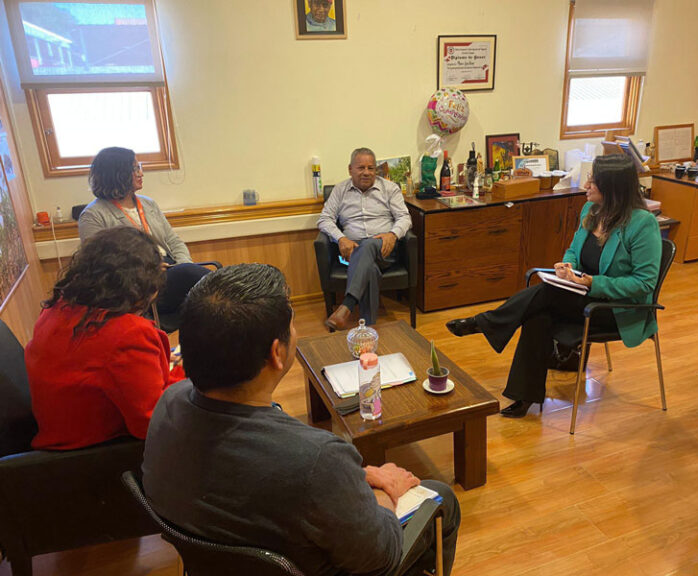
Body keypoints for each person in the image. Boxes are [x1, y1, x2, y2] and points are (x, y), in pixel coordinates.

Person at [142, 264, 460, 576]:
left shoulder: (169, 403)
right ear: (276, 353)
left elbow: (288, 480)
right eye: (293, 326)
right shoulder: (318, 459)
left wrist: (355, 479)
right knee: (441, 496)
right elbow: (382, 557)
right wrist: (384, 490)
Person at [446, 154, 662, 418]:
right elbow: (573, 250)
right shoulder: (591, 211)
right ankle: (524, 397)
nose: (587, 184)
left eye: (595, 180)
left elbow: (644, 283)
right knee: (539, 313)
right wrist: (567, 266)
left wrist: (594, 282)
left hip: (617, 310)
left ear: (613, 187)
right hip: (581, 295)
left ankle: (485, 323)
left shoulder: (642, 224)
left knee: (545, 295)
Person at [25, 227, 183, 450]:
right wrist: (192, 373)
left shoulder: (57, 310)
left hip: (59, 445)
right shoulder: (128, 334)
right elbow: (151, 424)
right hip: (100, 457)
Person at [78, 147, 210, 318]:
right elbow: (100, 265)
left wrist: (183, 263)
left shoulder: (149, 204)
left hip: (171, 270)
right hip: (138, 284)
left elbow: (174, 241)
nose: (141, 173)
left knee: (193, 277)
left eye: (139, 167)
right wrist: (150, 268)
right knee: (198, 280)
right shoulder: (93, 215)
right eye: (135, 168)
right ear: (116, 173)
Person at [317, 147, 412, 330]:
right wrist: (341, 238)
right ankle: (368, 328)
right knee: (370, 268)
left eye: (371, 168)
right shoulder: (340, 190)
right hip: (350, 252)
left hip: (385, 250)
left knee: (368, 245)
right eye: (361, 168)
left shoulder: (389, 188)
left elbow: (404, 217)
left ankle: (347, 306)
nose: (367, 172)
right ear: (350, 169)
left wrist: (393, 235)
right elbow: (324, 219)